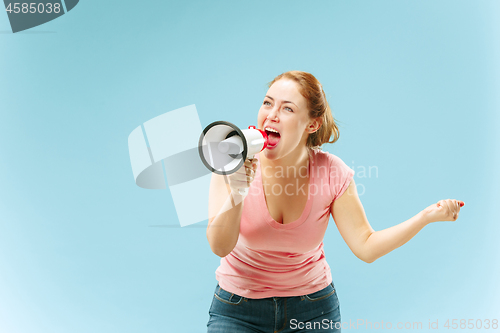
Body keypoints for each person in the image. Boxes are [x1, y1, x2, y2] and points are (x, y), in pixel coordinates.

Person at [205, 71, 464, 333]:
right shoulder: (231, 159)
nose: (272, 115)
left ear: (312, 125)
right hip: (237, 308)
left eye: (288, 108)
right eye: (268, 103)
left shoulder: (332, 172)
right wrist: (237, 192)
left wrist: (426, 217)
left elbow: (366, 247)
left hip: (312, 309)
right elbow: (219, 246)